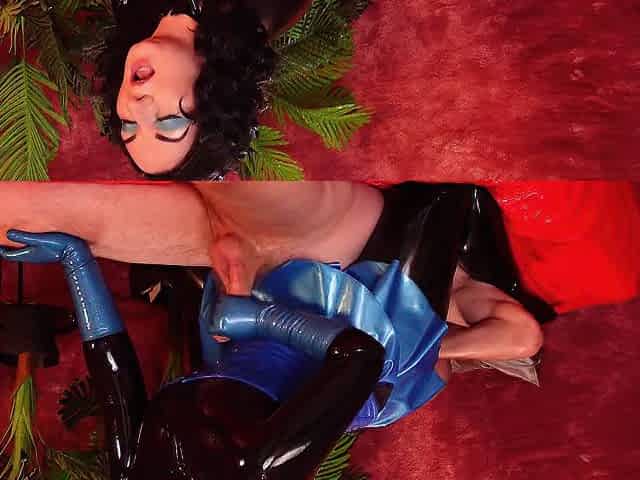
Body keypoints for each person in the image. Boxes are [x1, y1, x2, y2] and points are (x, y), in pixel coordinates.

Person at [100, 0, 313, 179]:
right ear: (216, 99)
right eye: (168, 122)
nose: (135, 107)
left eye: (129, 124)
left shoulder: (131, 10)